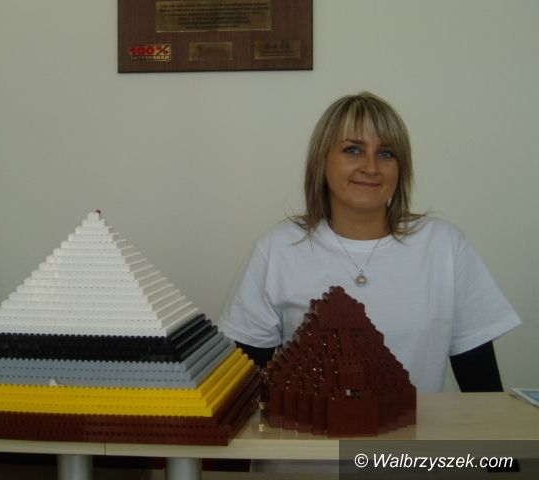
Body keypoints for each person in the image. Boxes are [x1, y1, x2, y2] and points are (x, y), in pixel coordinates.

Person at [218, 91, 521, 393]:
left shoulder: (445, 246)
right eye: (353, 150)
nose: (371, 167)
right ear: (322, 161)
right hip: (308, 426)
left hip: (414, 426)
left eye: (386, 153)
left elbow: (484, 392)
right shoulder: (277, 249)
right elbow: (244, 392)